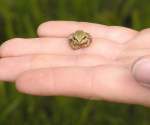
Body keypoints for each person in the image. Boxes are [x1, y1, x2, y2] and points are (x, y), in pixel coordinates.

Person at [0, 21, 150, 107]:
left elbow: (89, 39)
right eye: (77, 41)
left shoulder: (86, 38)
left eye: (81, 41)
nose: (79, 42)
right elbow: (72, 40)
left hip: (83, 35)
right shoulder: (74, 39)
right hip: (77, 36)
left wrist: (83, 44)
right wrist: (77, 44)